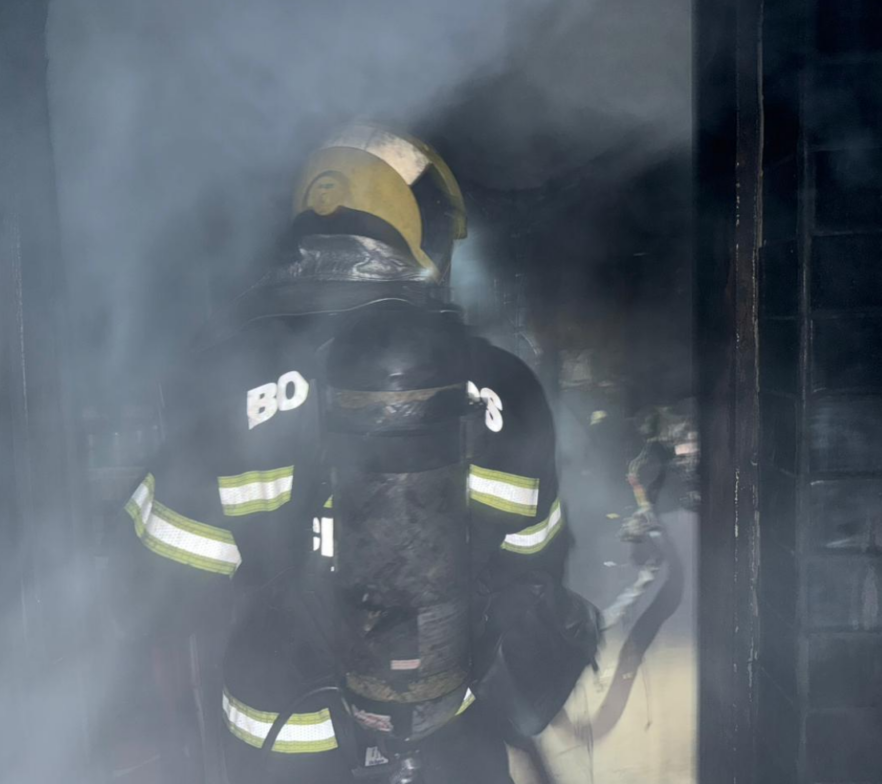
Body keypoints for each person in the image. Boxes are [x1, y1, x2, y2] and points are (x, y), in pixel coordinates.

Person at [122, 122, 591, 784]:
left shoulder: (223, 382)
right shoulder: (503, 386)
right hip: (447, 743)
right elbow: (537, 567)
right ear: (419, 234)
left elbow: (165, 580)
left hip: (282, 741)